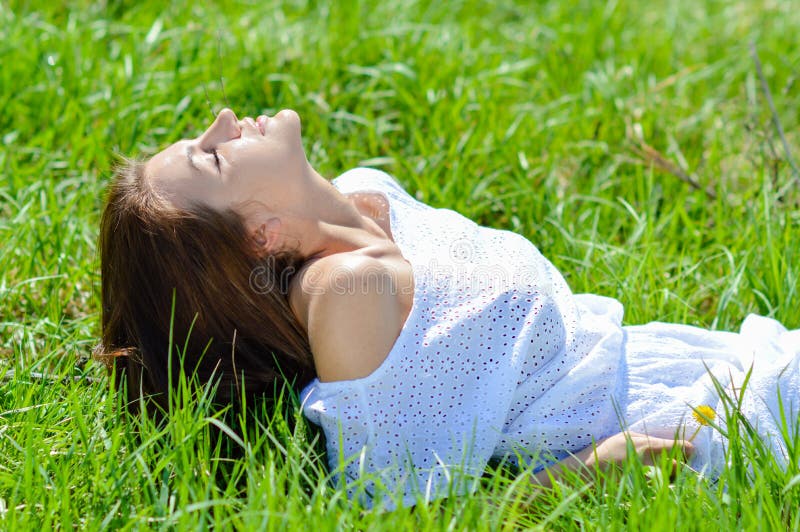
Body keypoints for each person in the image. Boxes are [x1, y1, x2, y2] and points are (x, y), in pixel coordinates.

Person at [97, 108, 800, 509]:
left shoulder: (366, 194)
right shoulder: (346, 292)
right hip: (681, 421)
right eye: (211, 158)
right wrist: (585, 472)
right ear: (261, 235)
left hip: (707, 355)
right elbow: (394, 506)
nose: (222, 122)